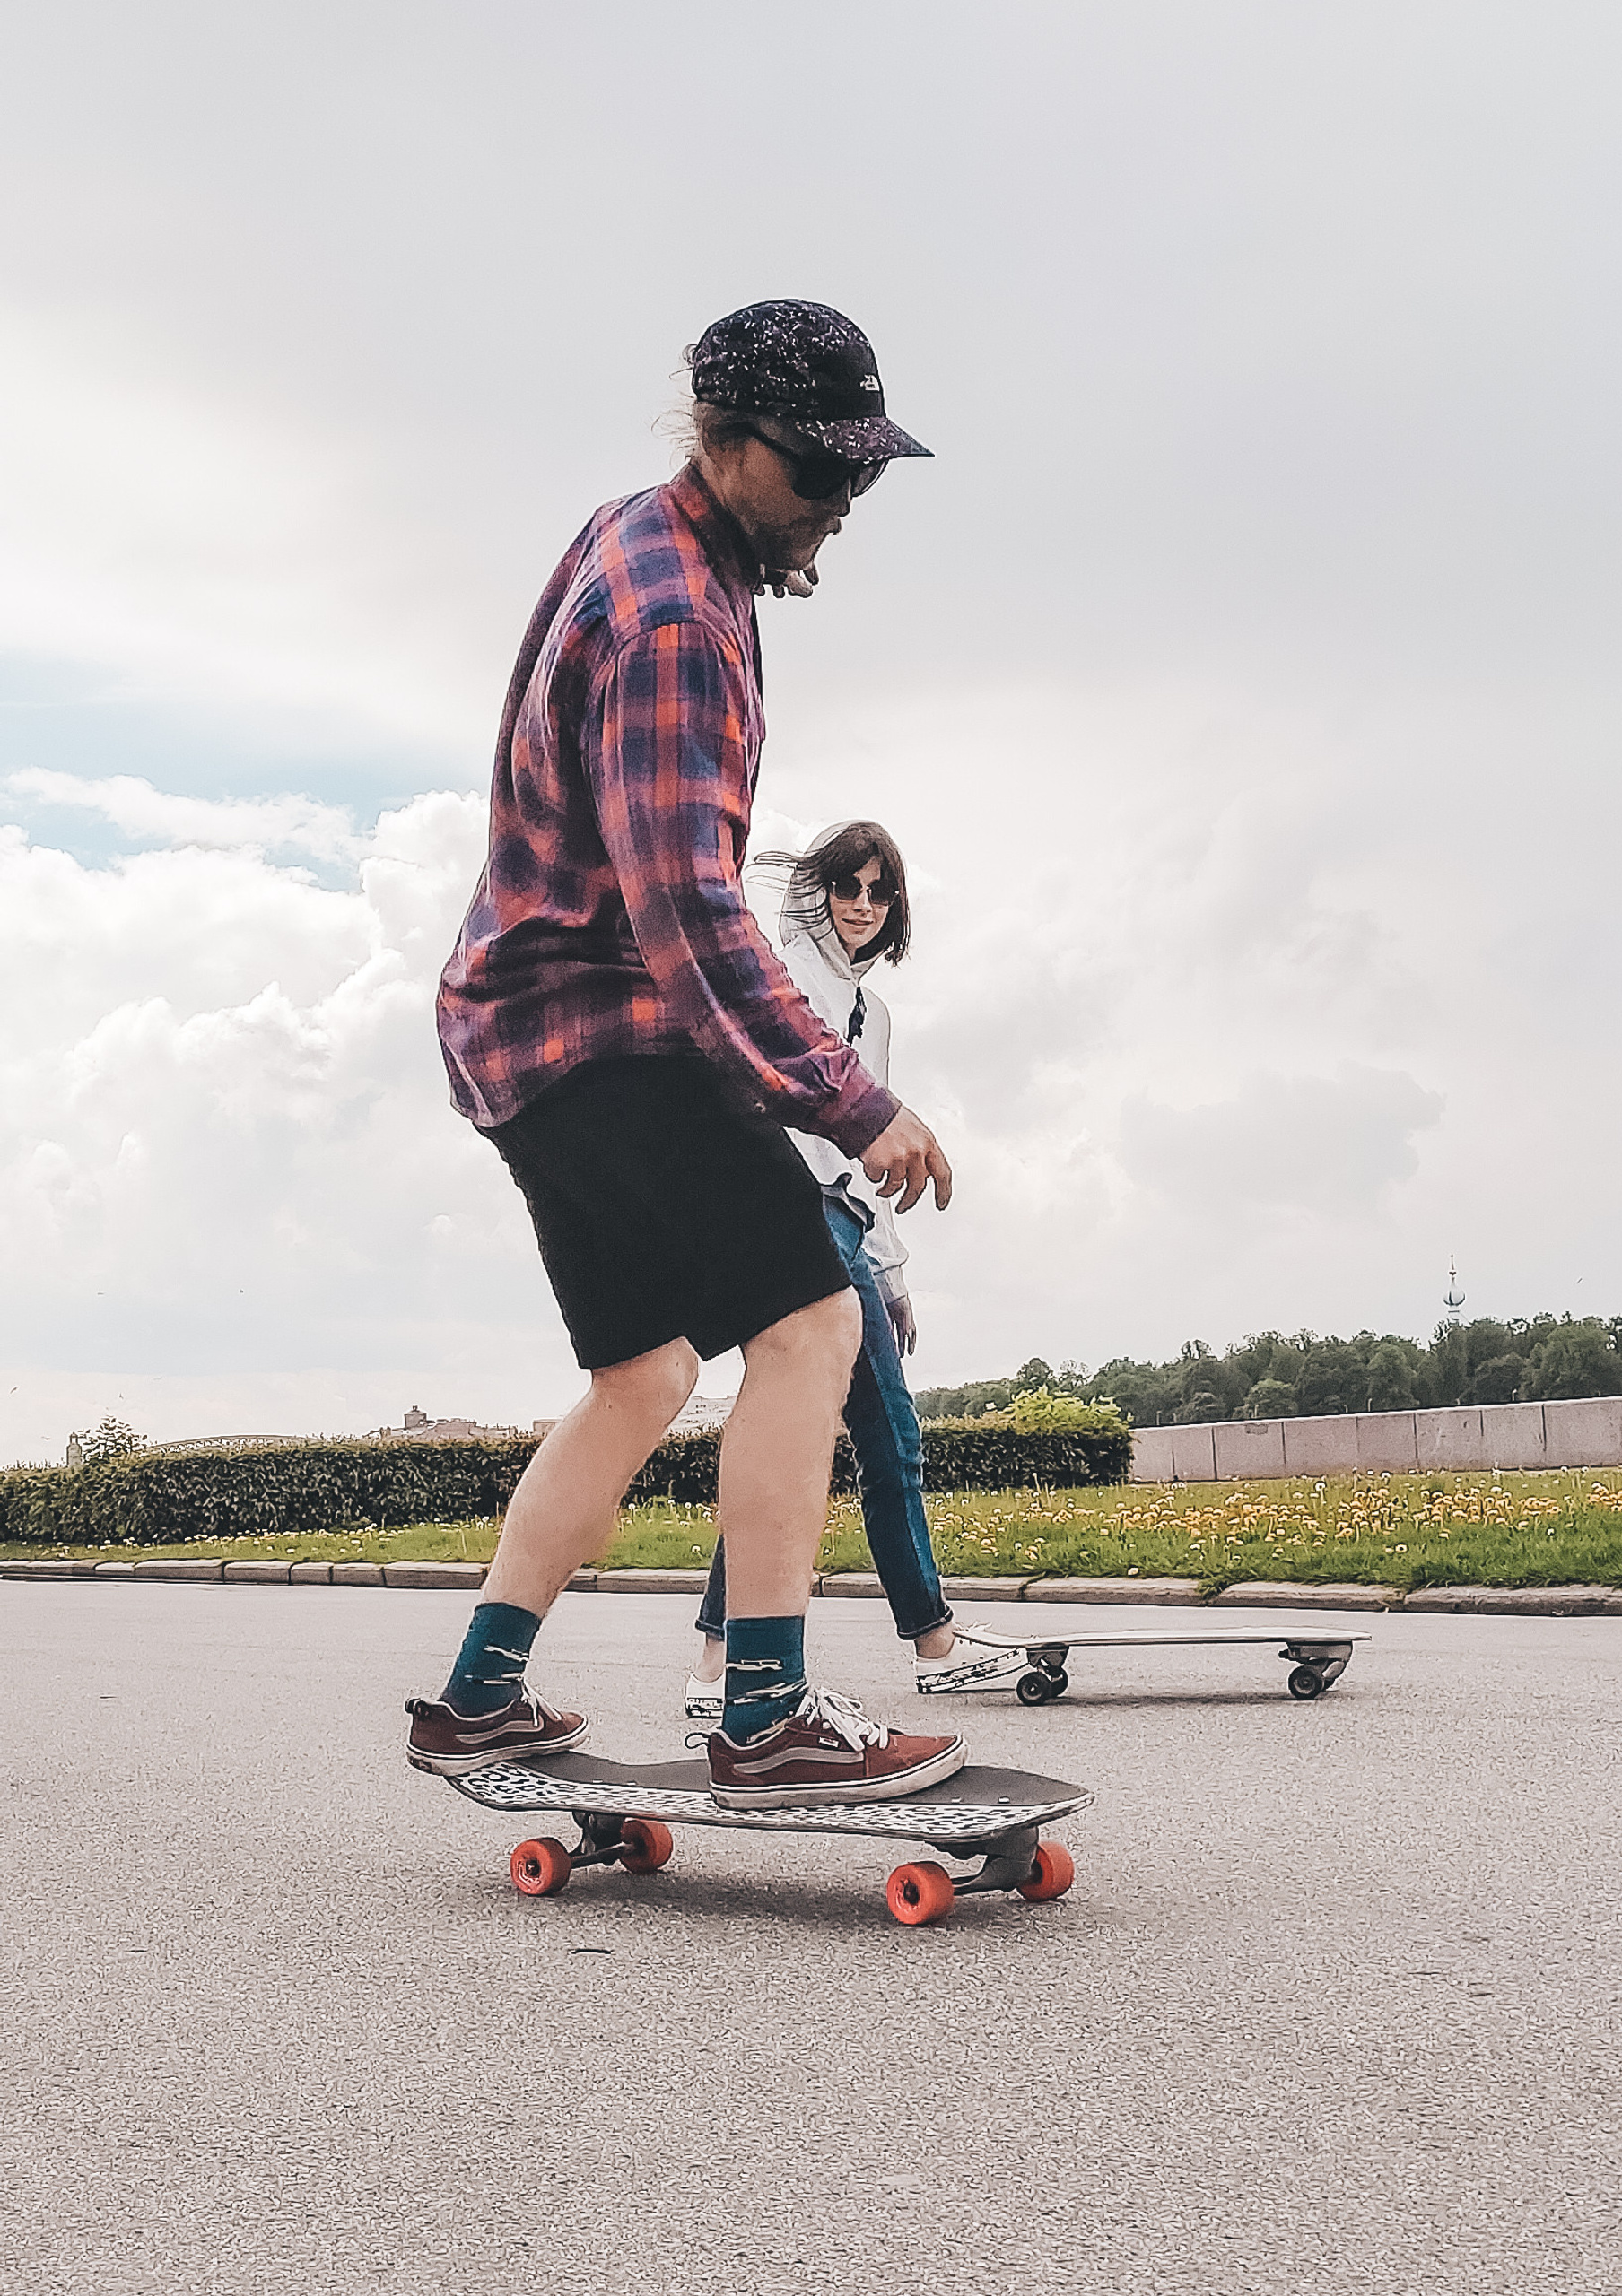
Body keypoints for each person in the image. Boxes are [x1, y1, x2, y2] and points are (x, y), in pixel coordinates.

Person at [404, 299, 966, 1808]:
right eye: (818, 471)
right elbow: (690, 916)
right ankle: (768, 1716)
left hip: (523, 1027)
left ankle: (477, 1696)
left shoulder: (648, 538)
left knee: (644, 1374)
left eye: (866, 476)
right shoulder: (677, 622)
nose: (842, 505)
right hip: (602, 1028)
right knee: (810, 1322)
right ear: (718, 440)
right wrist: (853, 1101)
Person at [685, 822, 1025, 1717]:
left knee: (793, 1435)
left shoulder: (875, 1017)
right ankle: (934, 1642)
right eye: (847, 886)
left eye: (879, 893)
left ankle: (716, 1662)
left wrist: (893, 1272)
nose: (862, 907)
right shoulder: (784, 970)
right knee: (886, 1433)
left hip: (841, 1220)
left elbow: (864, 1155)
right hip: (782, 1210)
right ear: (818, 890)